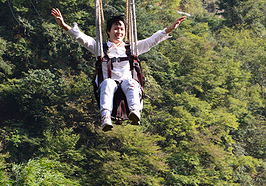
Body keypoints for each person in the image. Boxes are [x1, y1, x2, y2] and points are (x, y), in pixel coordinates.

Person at [51, 8, 184, 131]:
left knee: (130, 82)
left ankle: (135, 111)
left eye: (121, 29)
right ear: (108, 31)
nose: (119, 32)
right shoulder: (101, 49)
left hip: (127, 84)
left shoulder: (131, 48)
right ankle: (106, 117)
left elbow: (151, 41)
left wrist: (169, 29)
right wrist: (64, 25)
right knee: (108, 83)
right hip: (109, 84)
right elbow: (82, 38)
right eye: (115, 29)